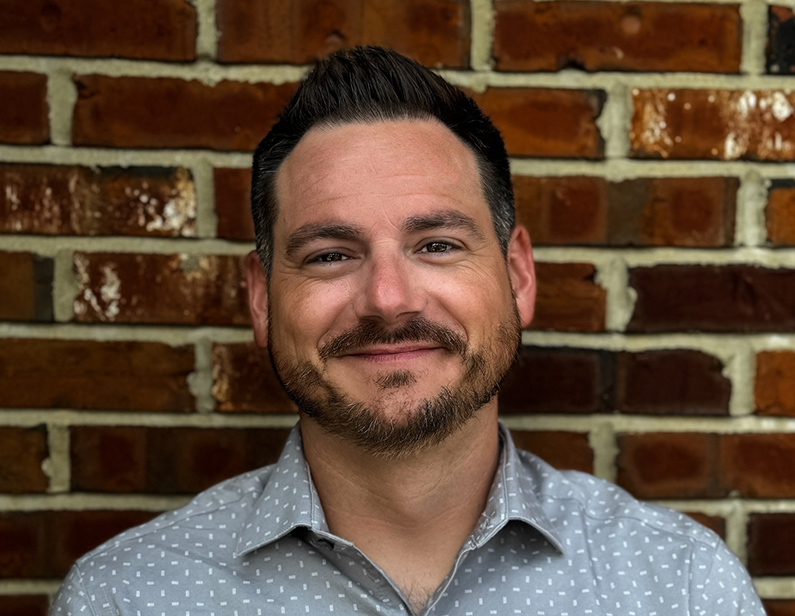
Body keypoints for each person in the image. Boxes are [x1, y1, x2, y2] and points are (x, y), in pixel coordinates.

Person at [51, 46, 765, 616]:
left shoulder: (678, 588)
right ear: (264, 298)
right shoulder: (127, 598)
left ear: (516, 275)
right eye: (330, 255)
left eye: (436, 245)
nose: (387, 300)